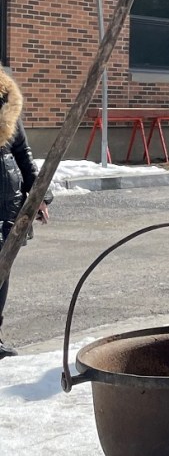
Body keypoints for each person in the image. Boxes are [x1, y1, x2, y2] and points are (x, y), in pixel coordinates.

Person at [0, 72, 51, 359]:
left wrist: (40, 196)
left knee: (2, 270)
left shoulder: (6, 100)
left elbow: (23, 154)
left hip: (7, 205)